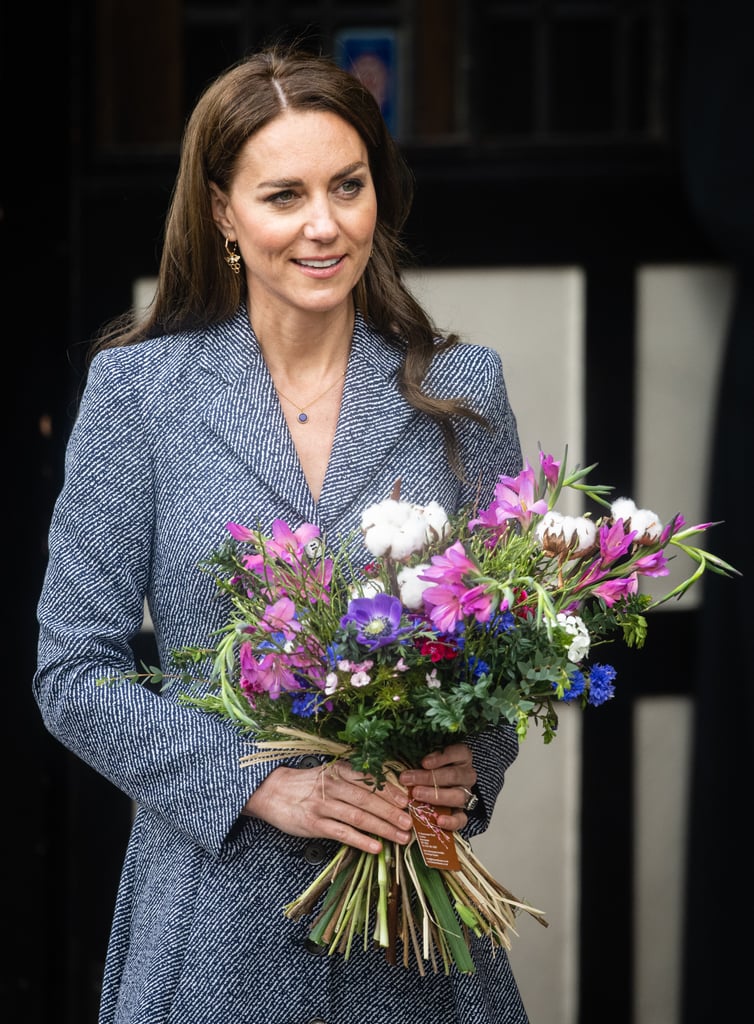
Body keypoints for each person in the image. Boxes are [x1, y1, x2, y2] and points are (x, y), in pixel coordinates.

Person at [34, 44, 527, 1024]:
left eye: (348, 186)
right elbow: (71, 672)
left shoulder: (463, 391)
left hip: (413, 932)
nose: (324, 224)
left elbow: (500, 646)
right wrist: (259, 784)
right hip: (210, 924)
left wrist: (468, 760)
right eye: (283, 194)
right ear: (221, 210)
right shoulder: (140, 395)